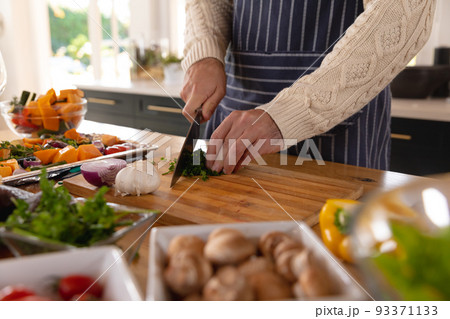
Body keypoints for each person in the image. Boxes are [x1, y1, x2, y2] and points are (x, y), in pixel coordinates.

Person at [180, 0, 436, 174]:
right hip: (234, 111)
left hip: (341, 128)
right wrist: (204, 52)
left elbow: (403, 15)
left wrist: (289, 112)